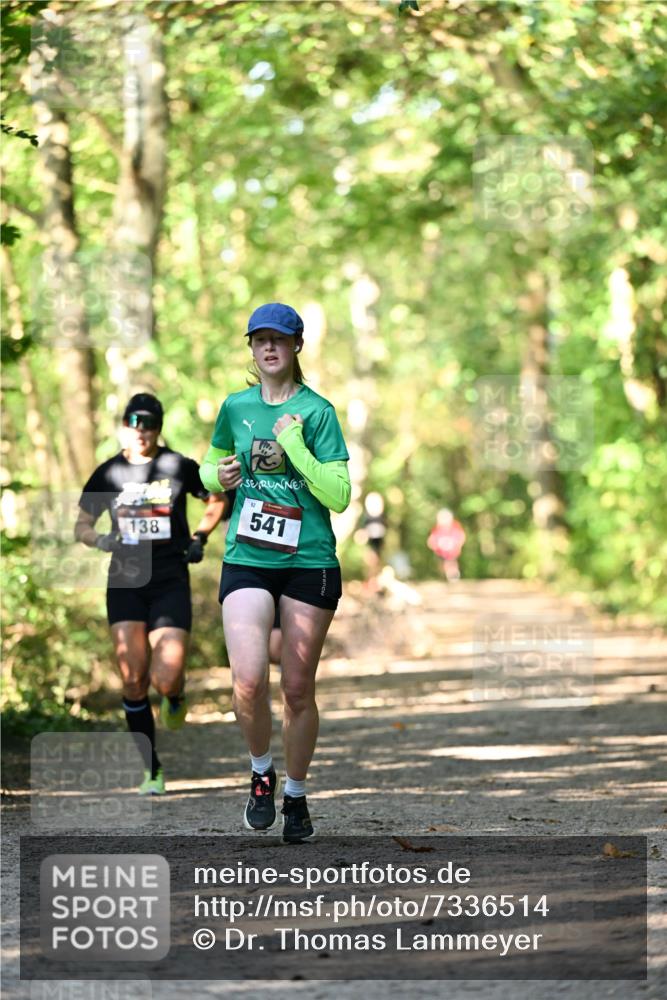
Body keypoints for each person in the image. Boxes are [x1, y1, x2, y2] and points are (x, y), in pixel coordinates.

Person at [200, 302, 351, 843]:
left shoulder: (319, 412)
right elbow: (209, 468)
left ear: (295, 348)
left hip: (308, 561)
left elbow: (338, 495)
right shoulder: (234, 407)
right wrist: (216, 474)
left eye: (279, 340)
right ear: (251, 348)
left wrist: (295, 446)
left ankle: (297, 797)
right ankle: (261, 773)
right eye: (259, 339)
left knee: (297, 688)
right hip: (247, 557)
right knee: (245, 680)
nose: (269, 348)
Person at [74, 393, 228, 795]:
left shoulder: (177, 466)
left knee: (165, 676)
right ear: (124, 426)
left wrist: (200, 535)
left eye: (149, 425)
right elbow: (82, 525)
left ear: (159, 428)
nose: (141, 432)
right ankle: (152, 771)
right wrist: (100, 539)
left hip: (169, 577)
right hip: (125, 577)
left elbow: (217, 499)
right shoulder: (108, 473)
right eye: (134, 424)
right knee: (132, 678)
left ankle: (175, 695)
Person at [427, 507, 466, 581]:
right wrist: (433, 545)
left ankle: (453, 576)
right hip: (440, 551)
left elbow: (461, 535)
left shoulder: (455, 527)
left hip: (452, 551)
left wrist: (458, 544)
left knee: (451, 562)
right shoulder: (437, 529)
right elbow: (431, 539)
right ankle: (445, 577)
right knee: (442, 564)